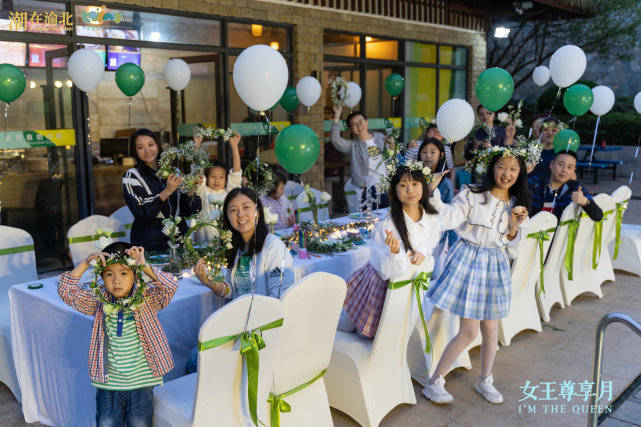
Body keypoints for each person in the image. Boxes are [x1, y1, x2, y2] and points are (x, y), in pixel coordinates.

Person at [423, 149, 530, 405]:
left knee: (491, 329)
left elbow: (514, 247)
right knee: (470, 331)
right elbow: (448, 217)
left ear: (520, 173)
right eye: (502, 167)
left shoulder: (517, 205)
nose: (507, 174)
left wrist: (515, 226)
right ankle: (434, 381)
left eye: (513, 169)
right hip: (469, 261)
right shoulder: (473, 194)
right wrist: (432, 191)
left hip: (494, 264)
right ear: (493, 168)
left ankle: (485, 379)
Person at [57, 242, 178, 426]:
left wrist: (143, 265)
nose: (116, 280)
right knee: (107, 423)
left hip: (142, 381)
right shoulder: (97, 300)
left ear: (135, 275)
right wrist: (85, 264)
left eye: (124, 273)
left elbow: (171, 285)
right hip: (109, 383)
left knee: (139, 423)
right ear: (101, 277)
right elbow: (65, 291)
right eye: (109, 274)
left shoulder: (147, 298)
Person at [188, 187, 295, 373]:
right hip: (240, 326)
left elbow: (279, 302)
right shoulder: (237, 249)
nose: (240, 214)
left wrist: (242, 333)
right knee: (194, 353)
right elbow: (233, 291)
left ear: (258, 212)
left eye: (246, 207)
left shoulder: (273, 248)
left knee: (195, 358)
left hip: (262, 333)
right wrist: (208, 282)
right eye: (233, 210)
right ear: (227, 217)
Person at [337, 160, 448, 339]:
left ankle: (351, 320)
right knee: (365, 330)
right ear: (394, 191)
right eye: (403, 185)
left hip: (408, 283)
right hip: (381, 281)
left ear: (423, 186)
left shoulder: (432, 218)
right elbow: (387, 271)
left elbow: (431, 241)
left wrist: (423, 252)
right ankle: (347, 321)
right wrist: (395, 252)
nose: (410, 190)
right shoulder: (386, 225)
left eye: (415, 184)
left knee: (395, 328)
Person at [122, 129, 202, 251]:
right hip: (149, 241)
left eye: (151, 144)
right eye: (140, 147)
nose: (147, 150)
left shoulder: (174, 171)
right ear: (135, 151)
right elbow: (141, 212)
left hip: (179, 238)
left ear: (157, 146)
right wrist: (167, 191)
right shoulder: (131, 176)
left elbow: (189, 211)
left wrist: (191, 190)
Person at [330, 105, 395, 210]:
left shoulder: (379, 137)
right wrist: (337, 116)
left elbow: (391, 156)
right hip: (367, 190)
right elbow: (335, 139)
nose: (359, 125)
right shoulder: (352, 146)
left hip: (386, 186)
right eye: (354, 124)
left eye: (361, 121)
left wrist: (392, 144)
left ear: (367, 122)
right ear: (351, 129)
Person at [529, 150, 603, 221]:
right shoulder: (535, 182)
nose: (564, 170)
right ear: (551, 165)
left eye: (569, 167)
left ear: (574, 170)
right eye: (560, 164)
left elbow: (598, 216)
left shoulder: (576, 188)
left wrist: (585, 201)